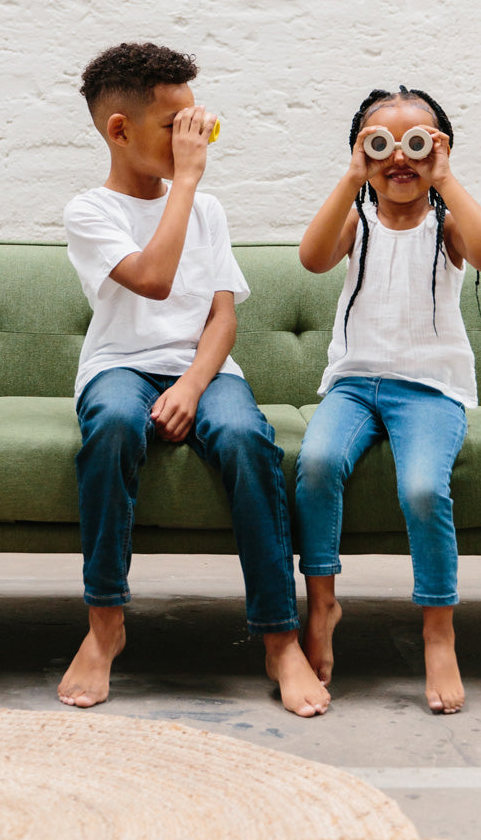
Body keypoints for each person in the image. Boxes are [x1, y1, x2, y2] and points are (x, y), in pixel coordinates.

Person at [60, 42, 330, 717]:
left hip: (203, 369)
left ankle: (278, 637)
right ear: (120, 131)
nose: (195, 139)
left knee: (245, 438)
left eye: (198, 124)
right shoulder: (91, 212)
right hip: (119, 364)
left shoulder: (208, 212)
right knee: (116, 424)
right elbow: (151, 280)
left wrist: (191, 386)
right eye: (176, 127)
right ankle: (104, 626)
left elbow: (222, 319)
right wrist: (184, 181)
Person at [295, 85, 481, 714]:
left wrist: (448, 181)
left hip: (430, 390)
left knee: (421, 487)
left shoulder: (446, 229)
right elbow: (310, 259)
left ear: (438, 152)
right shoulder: (356, 225)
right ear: (364, 154)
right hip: (354, 385)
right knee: (316, 463)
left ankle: (438, 632)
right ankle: (323, 600)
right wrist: (349, 176)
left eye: (419, 142)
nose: (401, 157)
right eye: (382, 143)